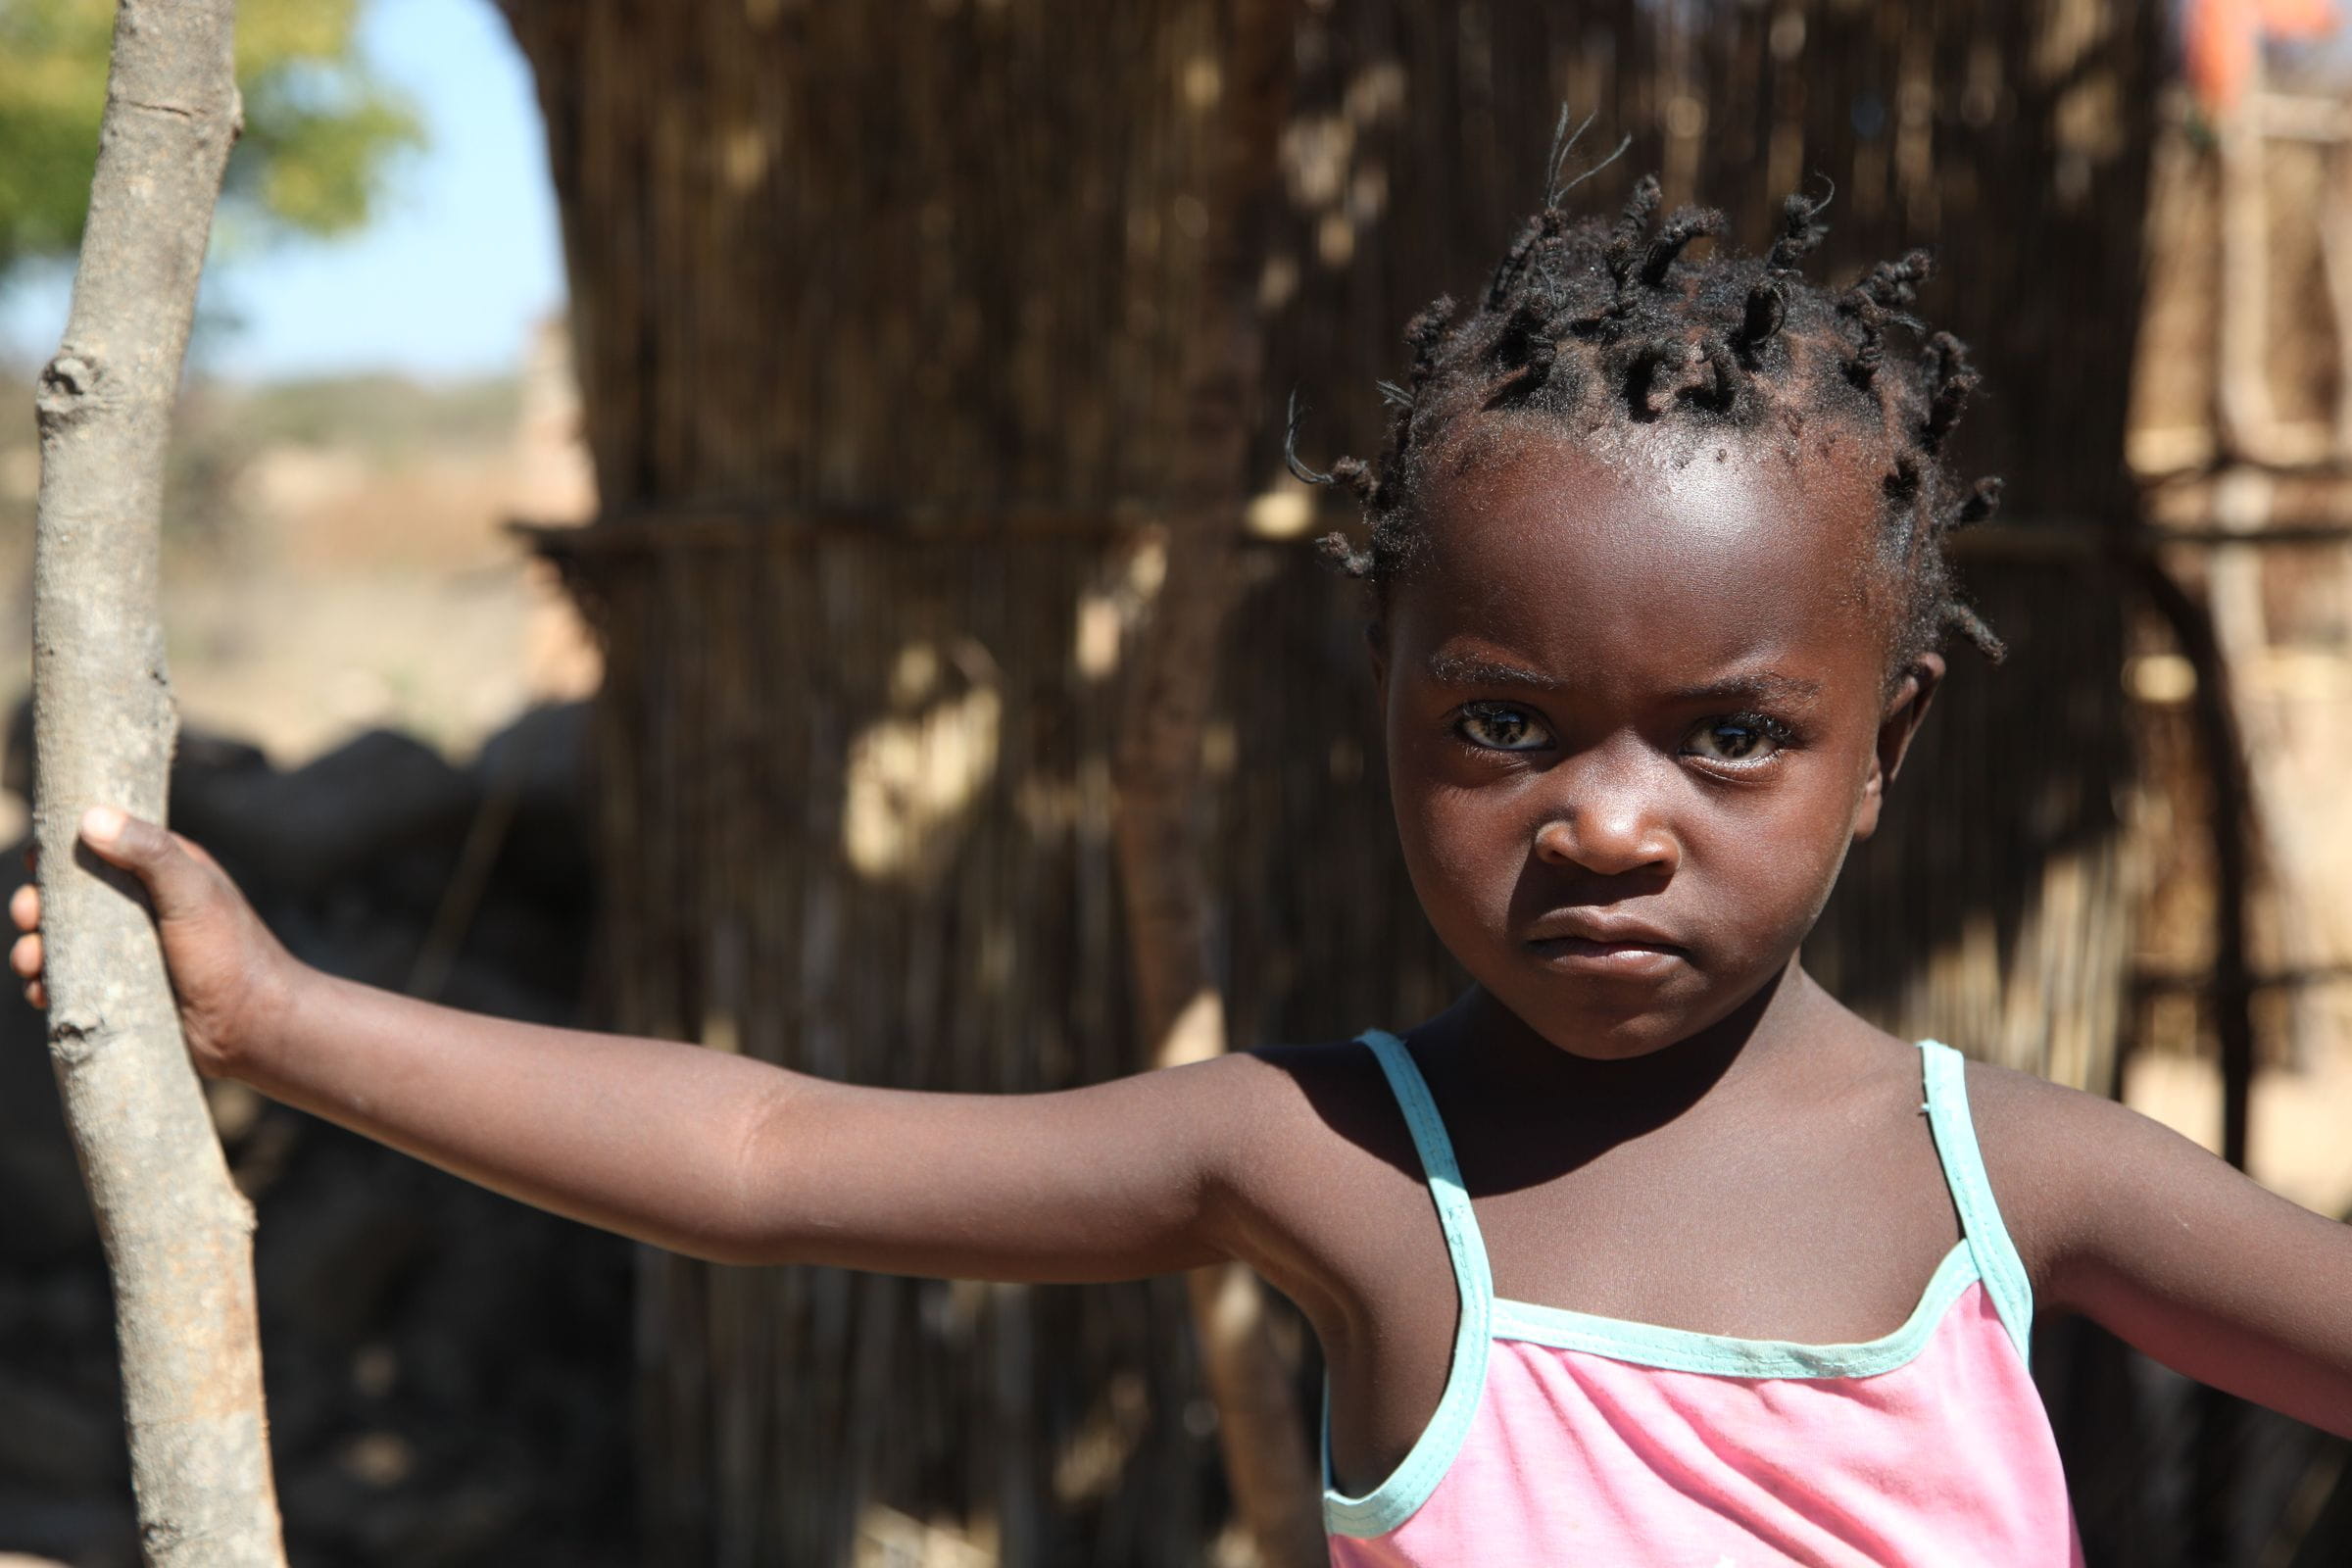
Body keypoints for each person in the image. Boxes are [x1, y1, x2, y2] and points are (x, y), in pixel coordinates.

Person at [16, 169, 2352, 1567]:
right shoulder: (1330, 1159)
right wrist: (277, 1015)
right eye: (1506, 724)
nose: (1609, 816)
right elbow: (765, 1152)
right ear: (1386, 706)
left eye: (1731, 734)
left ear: (1886, 746)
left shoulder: (2010, 1180)